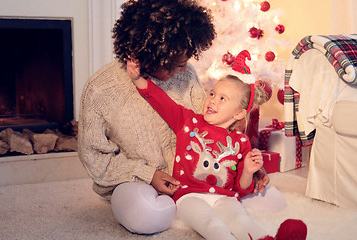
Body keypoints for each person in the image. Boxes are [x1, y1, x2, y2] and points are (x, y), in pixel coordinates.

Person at [78, 0, 284, 235]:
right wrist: (148, 175)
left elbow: (215, 131)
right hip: (139, 182)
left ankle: (194, 208)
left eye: (186, 61)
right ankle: (184, 207)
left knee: (273, 200)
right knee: (145, 214)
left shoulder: (186, 74)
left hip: (198, 181)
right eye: (177, 64)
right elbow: (96, 160)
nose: (184, 69)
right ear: (155, 56)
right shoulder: (100, 89)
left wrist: (249, 169)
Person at [131, 73, 307, 240]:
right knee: (211, 224)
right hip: (189, 196)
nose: (212, 100)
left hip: (224, 197)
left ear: (238, 114)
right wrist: (138, 78)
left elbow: (241, 187)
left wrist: (248, 170)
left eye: (222, 99)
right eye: (212, 93)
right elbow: (161, 101)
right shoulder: (188, 121)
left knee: (241, 220)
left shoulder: (241, 141)